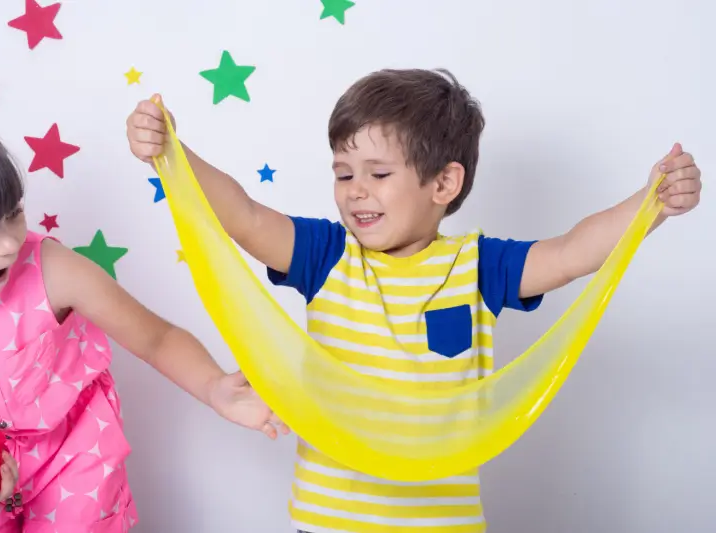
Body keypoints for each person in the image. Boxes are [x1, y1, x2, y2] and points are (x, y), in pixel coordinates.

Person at [126, 68, 702, 533]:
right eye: (343, 172)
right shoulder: (326, 255)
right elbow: (245, 215)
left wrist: (650, 204)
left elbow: (574, 251)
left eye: (378, 173)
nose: (355, 191)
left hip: (441, 525)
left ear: (443, 185)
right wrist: (173, 154)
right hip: (330, 521)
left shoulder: (478, 266)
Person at [0, 59, 286, 533]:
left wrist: (214, 387)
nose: (8, 242)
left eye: (14, 214)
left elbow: (155, 338)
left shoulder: (52, 270)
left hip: (73, 454)